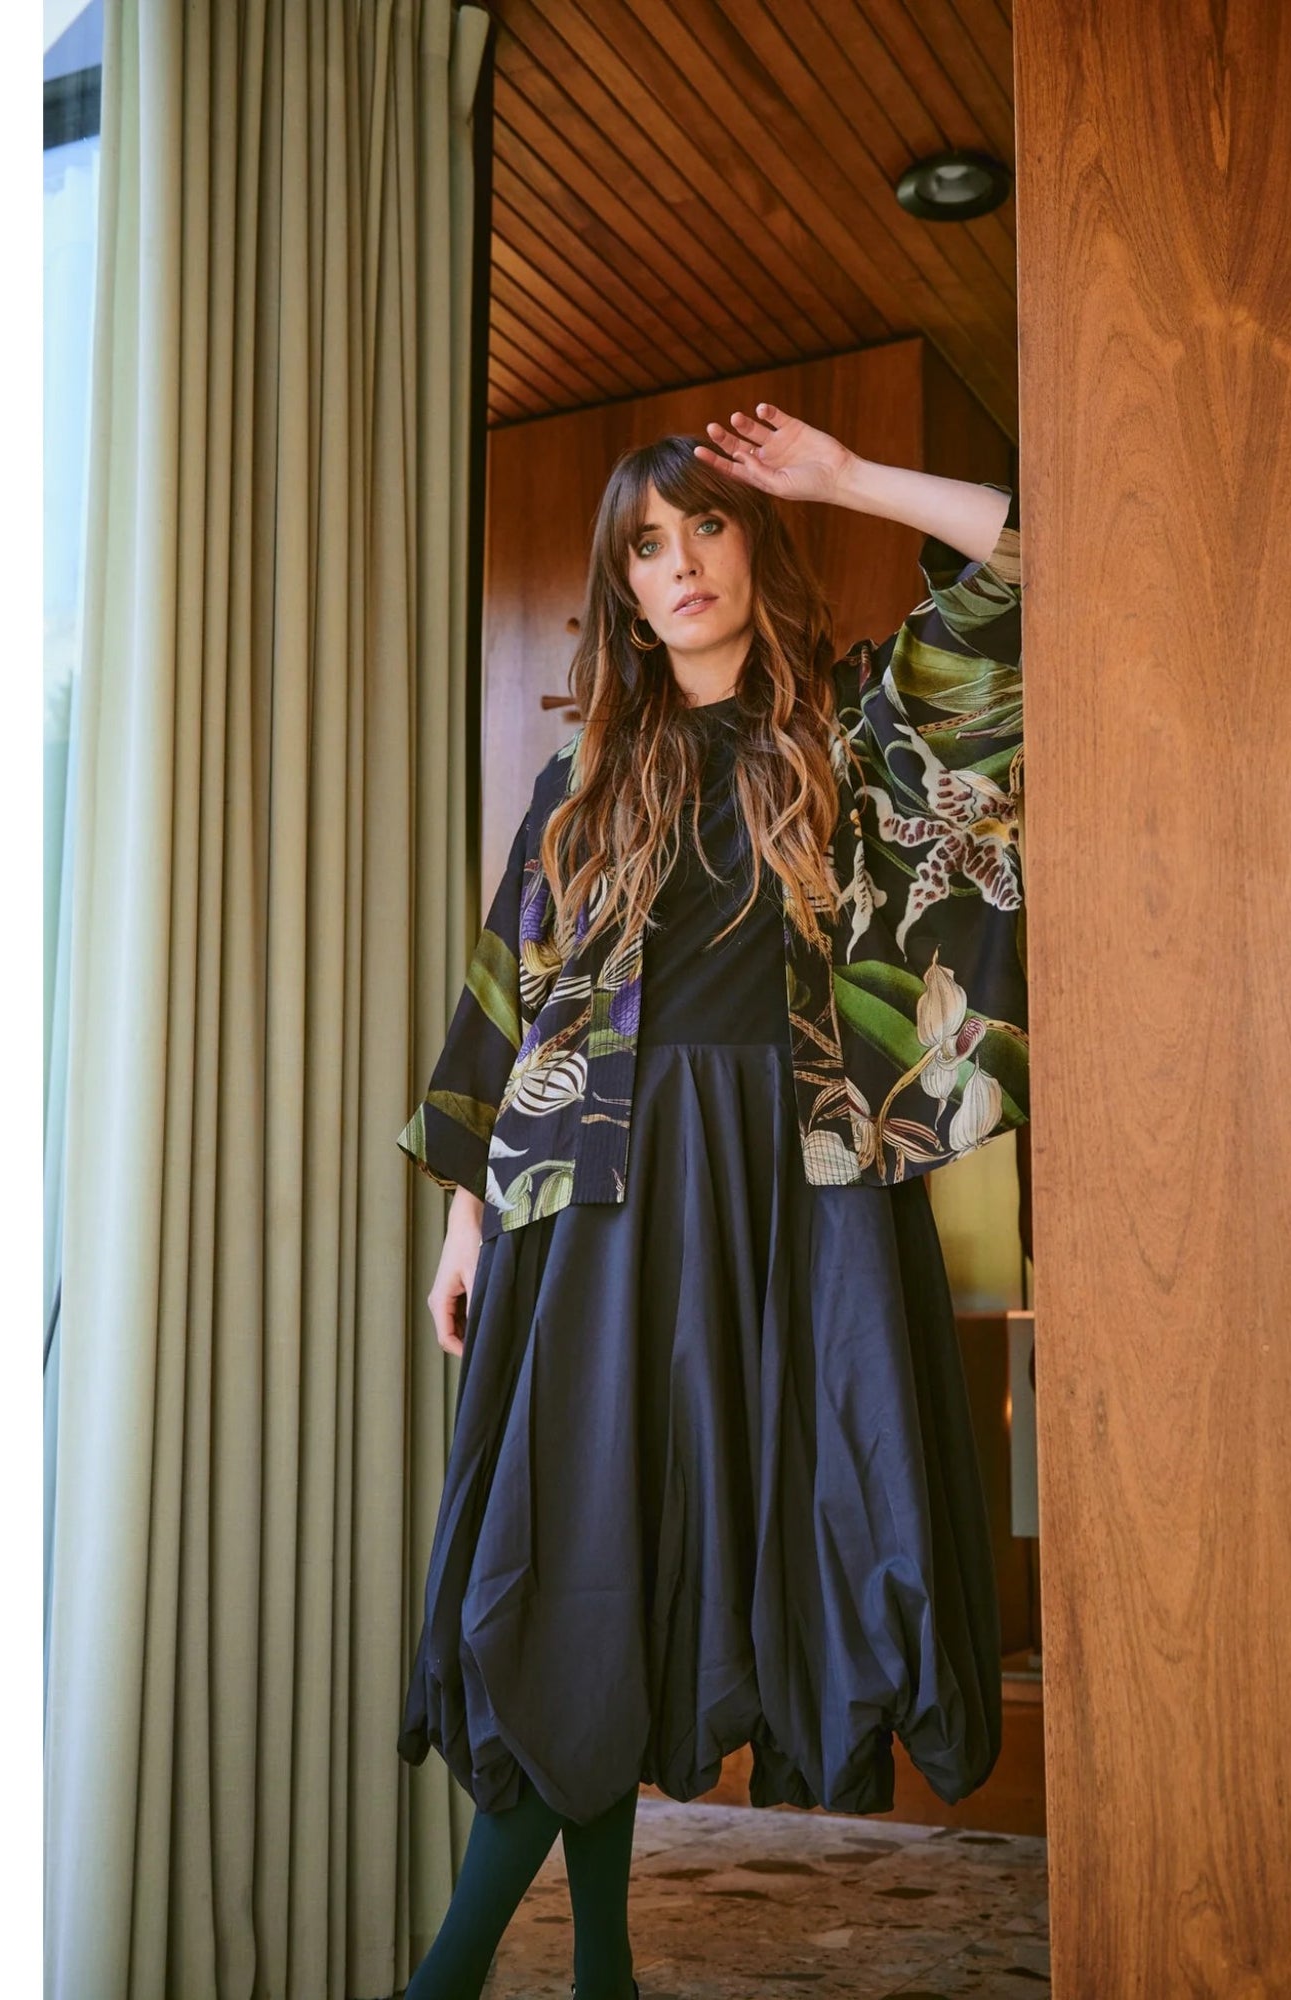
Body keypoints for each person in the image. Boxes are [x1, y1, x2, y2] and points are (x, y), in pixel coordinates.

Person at [394, 403, 1027, 2000]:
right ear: (621, 585)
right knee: (574, 1547)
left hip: (793, 1194)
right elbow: (510, 999)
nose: (679, 569)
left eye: (707, 529)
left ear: (755, 542)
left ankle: (533, 1973)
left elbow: (1035, 561)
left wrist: (843, 477)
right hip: (591, 1198)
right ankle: (524, 1968)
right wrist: (466, 1219)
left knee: (728, 1535)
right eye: (647, 550)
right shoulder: (585, 769)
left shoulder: (861, 726)